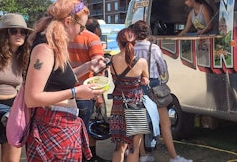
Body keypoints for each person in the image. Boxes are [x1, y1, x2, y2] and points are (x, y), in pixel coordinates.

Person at [24, 0, 108, 161]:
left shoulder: (55, 46)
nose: (82, 31)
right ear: (69, 21)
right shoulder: (45, 48)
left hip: (60, 125)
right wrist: (76, 92)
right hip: (51, 127)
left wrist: (87, 67)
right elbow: (32, 98)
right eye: (82, 27)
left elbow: (56, 81)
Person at [133, 20, 193, 162]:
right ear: (148, 33)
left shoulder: (131, 48)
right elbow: (163, 69)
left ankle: (143, 156)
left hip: (136, 87)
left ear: (134, 34)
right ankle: (174, 157)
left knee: (140, 125)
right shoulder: (153, 48)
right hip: (154, 87)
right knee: (165, 124)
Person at [0, 13, 32, 162]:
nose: (19, 34)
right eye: (13, 31)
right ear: (4, 34)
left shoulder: (25, 55)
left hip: (13, 111)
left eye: (23, 31)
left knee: (12, 159)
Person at [69, 17, 109, 162]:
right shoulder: (92, 38)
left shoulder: (63, 38)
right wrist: (98, 96)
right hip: (85, 93)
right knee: (84, 131)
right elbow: (99, 67)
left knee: (69, 133)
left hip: (62, 95)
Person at [109, 28, 150, 162]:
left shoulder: (112, 60)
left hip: (118, 106)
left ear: (118, 42)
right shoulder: (142, 62)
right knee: (134, 147)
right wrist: (144, 80)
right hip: (135, 105)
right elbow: (146, 80)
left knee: (119, 147)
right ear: (135, 42)